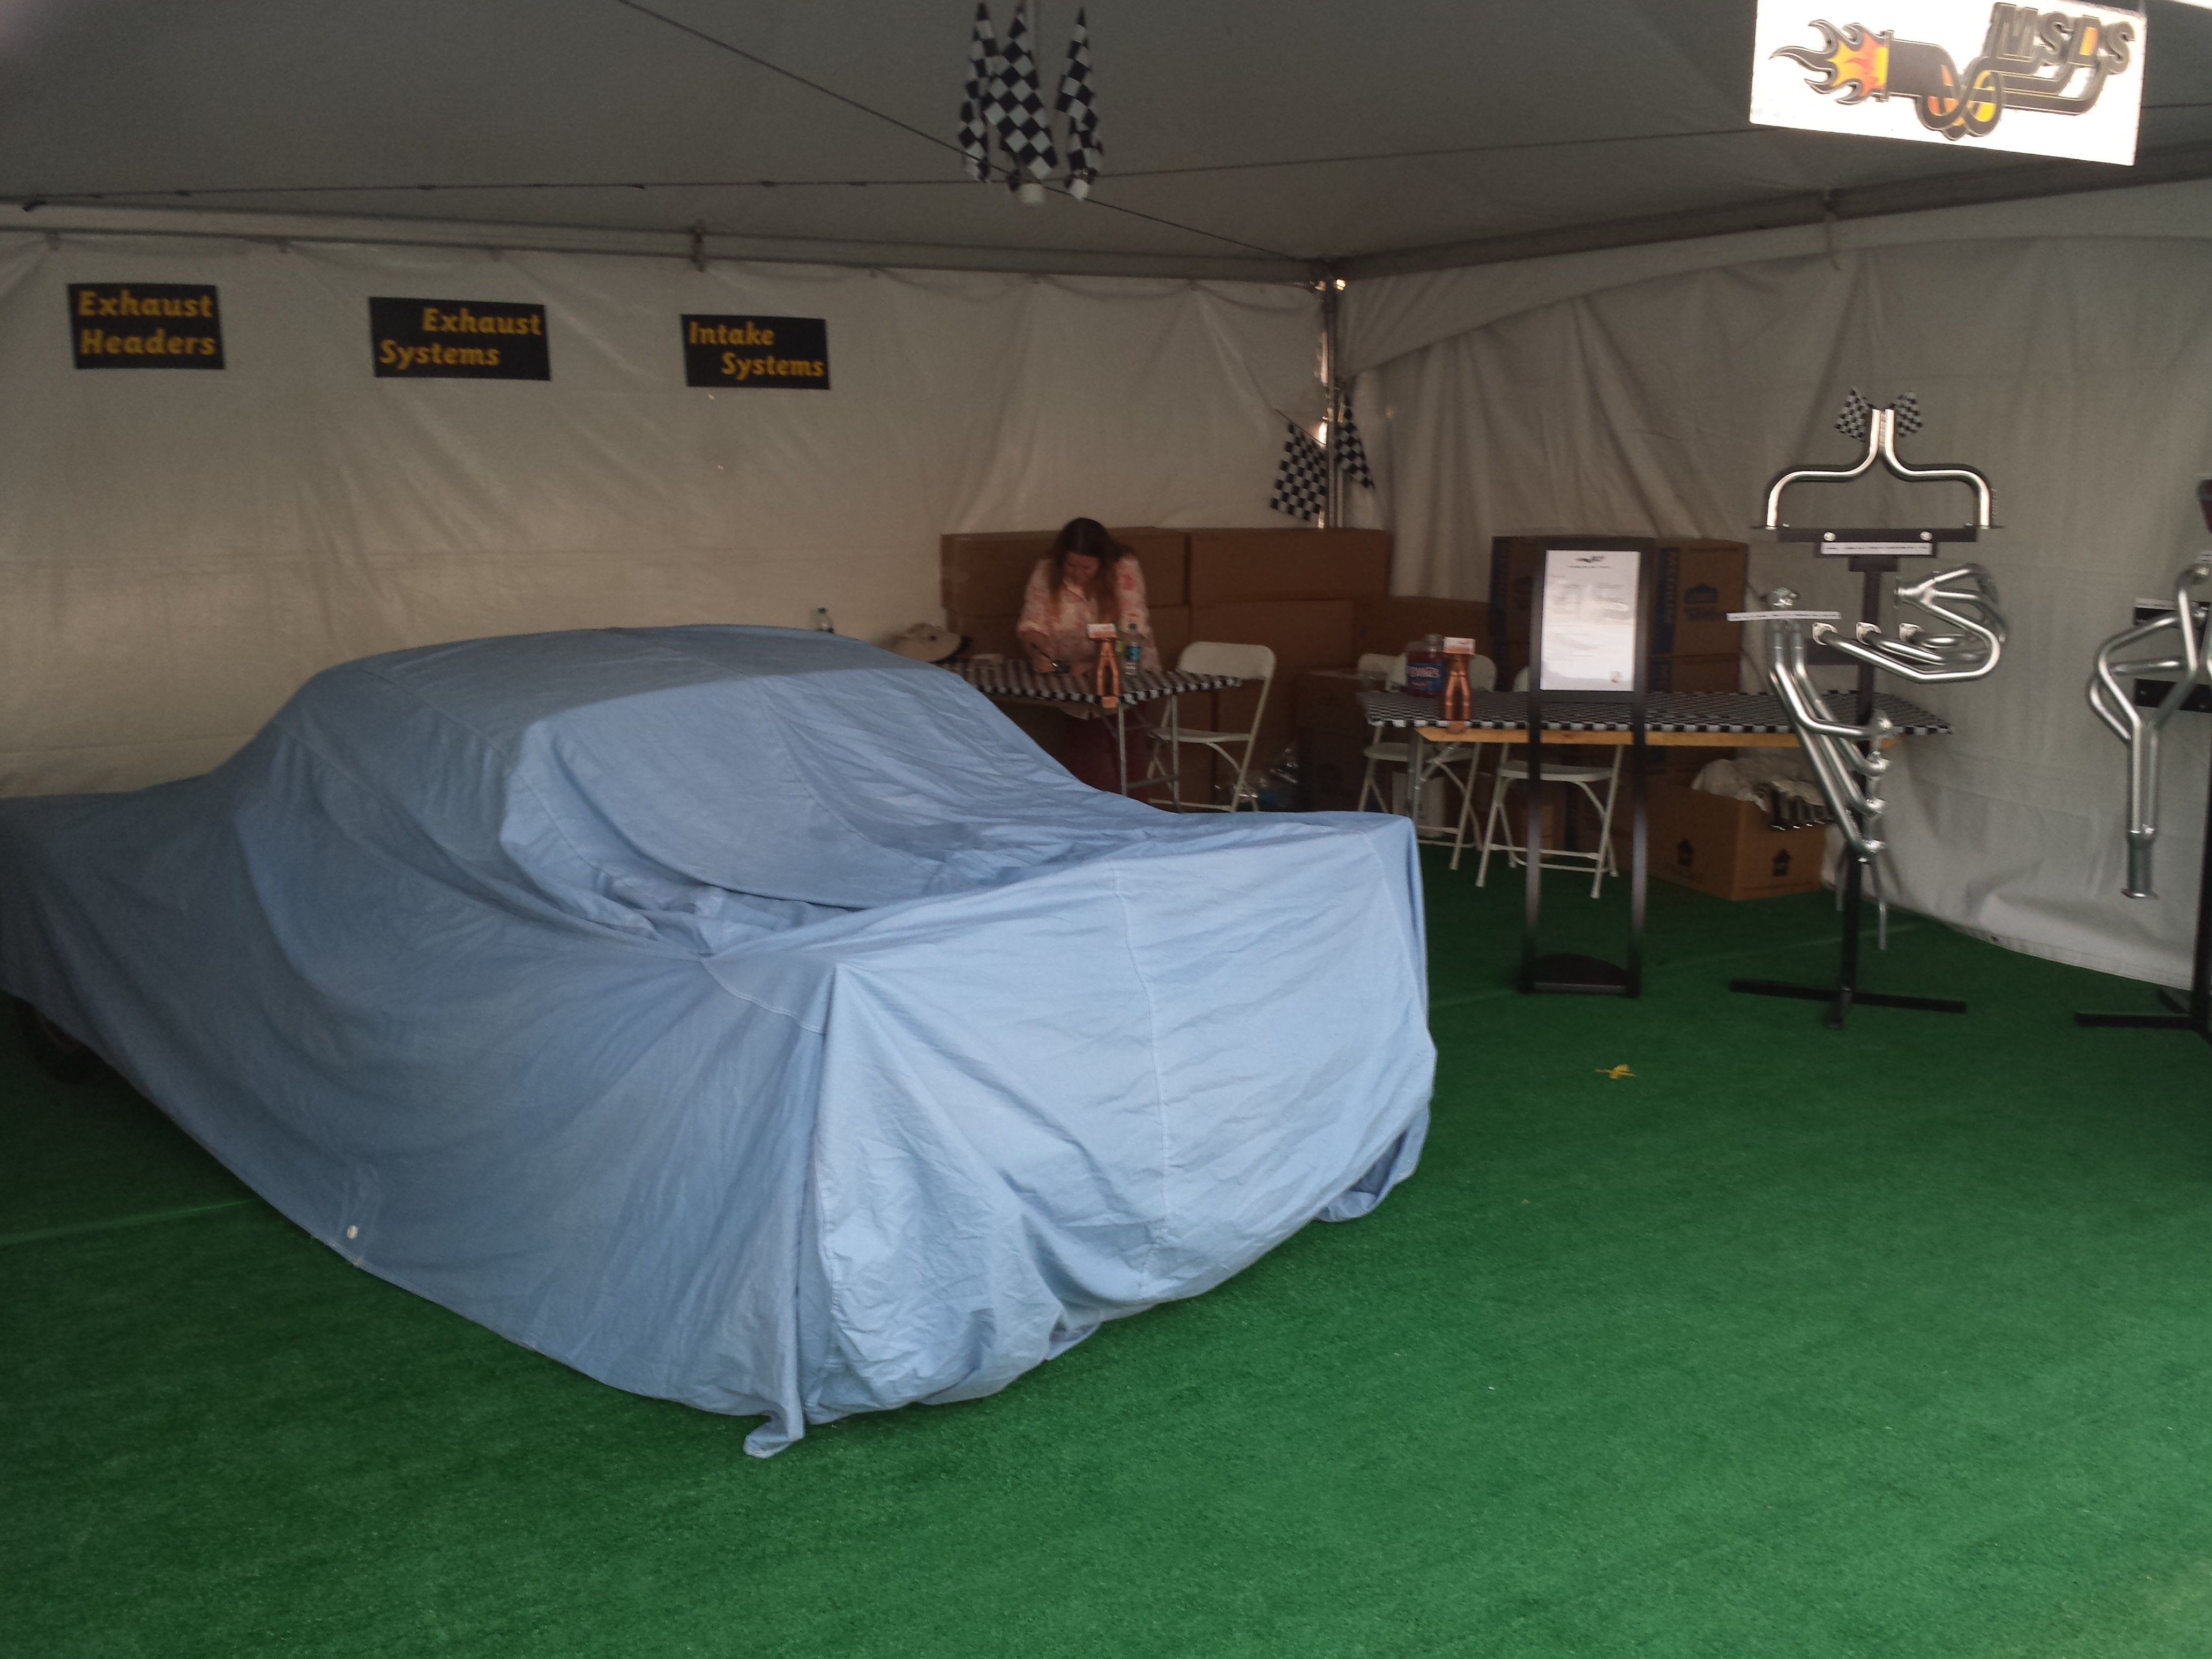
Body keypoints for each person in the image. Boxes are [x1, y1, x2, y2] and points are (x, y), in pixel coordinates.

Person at [1017, 518, 1160, 791]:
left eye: (1086, 567)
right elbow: (1033, 623)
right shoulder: (1047, 569)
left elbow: (1133, 625)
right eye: (1071, 565)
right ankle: (1094, 812)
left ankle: (1137, 810)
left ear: (1102, 563)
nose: (1077, 574)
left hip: (1126, 669)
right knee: (1085, 750)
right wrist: (1039, 651)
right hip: (1072, 676)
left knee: (1127, 746)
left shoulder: (1124, 567)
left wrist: (1099, 662)